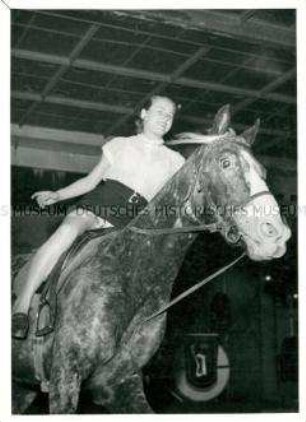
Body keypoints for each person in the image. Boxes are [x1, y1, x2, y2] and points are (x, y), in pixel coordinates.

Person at [12, 95, 225, 339]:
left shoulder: (175, 161)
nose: (165, 118)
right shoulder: (120, 144)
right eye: (160, 112)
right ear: (144, 114)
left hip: (132, 224)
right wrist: (57, 195)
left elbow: (183, 202)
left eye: (170, 116)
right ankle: (21, 307)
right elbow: (90, 181)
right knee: (67, 232)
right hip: (98, 205)